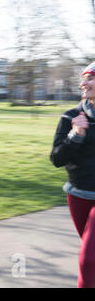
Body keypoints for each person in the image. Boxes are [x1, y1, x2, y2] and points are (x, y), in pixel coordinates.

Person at [50, 62, 95, 288]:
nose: (83, 83)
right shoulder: (71, 116)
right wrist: (75, 135)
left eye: (90, 78)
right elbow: (57, 159)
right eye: (83, 78)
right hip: (78, 195)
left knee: (88, 259)